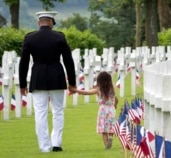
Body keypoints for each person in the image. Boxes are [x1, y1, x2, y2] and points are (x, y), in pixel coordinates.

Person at [19, 11, 76, 153]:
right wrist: (73, 83)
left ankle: (44, 147)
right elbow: (68, 60)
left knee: (40, 113)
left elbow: (24, 62)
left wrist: (22, 84)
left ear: (39, 23)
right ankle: (56, 143)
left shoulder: (30, 38)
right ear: (51, 22)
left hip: (38, 78)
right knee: (58, 111)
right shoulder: (59, 37)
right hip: (56, 77)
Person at [72, 71, 118, 150]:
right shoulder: (112, 88)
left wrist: (76, 90)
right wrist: (115, 106)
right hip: (111, 109)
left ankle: (106, 145)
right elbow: (116, 99)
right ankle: (110, 137)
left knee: (103, 130)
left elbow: (87, 92)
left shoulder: (98, 89)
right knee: (111, 126)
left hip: (103, 110)